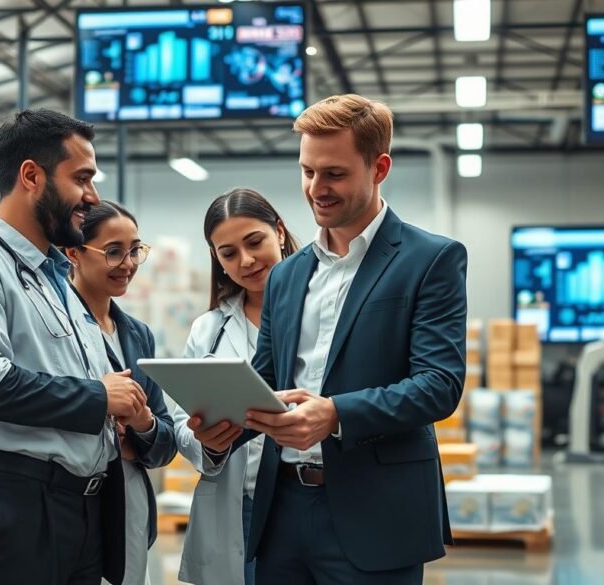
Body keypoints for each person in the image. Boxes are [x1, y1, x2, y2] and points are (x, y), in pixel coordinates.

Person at [212, 94, 468, 584]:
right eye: (308, 172)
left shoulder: (429, 260)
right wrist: (221, 422)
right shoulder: (287, 275)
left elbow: (438, 384)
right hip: (282, 511)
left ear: (379, 167)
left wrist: (334, 415)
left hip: (376, 512)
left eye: (334, 173)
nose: (316, 189)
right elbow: (265, 378)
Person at [0, 109, 147, 585]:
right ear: (31, 175)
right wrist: (98, 397)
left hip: (79, 507)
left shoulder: (56, 280)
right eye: (82, 178)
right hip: (12, 507)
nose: (93, 197)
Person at [171, 188, 299, 585]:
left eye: (254, 242)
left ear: (279, 231)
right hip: (239, 502)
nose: (245, 261)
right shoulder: (208, 330)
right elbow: (181, 422)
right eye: (228, 253)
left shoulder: (320, 309)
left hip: (303, 498)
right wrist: (208, 440)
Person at [64, 200, 179, 585]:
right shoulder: (58, 327)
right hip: (71, 500)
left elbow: (165, 443)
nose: (128, 263)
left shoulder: (137, 335)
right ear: (73, 253)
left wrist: (143, 423)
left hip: (128, 500)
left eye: (134, 250)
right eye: (113, 252)